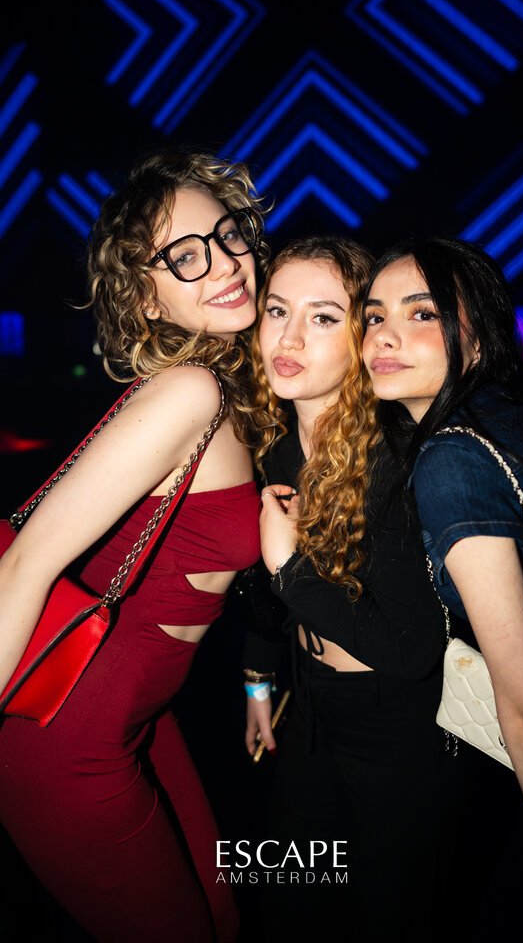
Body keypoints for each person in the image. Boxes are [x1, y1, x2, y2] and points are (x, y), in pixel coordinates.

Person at [0, 147, 269, 942]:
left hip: (141, 721)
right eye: (185, 256)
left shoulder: (223, 383)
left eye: (228, 235)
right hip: (69, 741)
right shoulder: (189, 389)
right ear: (145, 297)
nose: (225, 262)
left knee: (222, 918)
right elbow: (26, 562)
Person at [242, 235, 459, 941]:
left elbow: (410, 652)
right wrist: (258, 682)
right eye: (277, 310)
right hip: (310, 710)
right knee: (289, 904)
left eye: (324, 317)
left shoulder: (394, 460)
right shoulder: (276, 446)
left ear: (362, 337)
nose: (289, 337)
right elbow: (266, 595)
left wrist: (290, 569)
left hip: (393, 728)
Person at [362, 234, 523, 937]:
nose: (384, 335)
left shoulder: (450, 458)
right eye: (374, 315)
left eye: (422, 313)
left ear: (477, 338)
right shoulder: (518, 417)